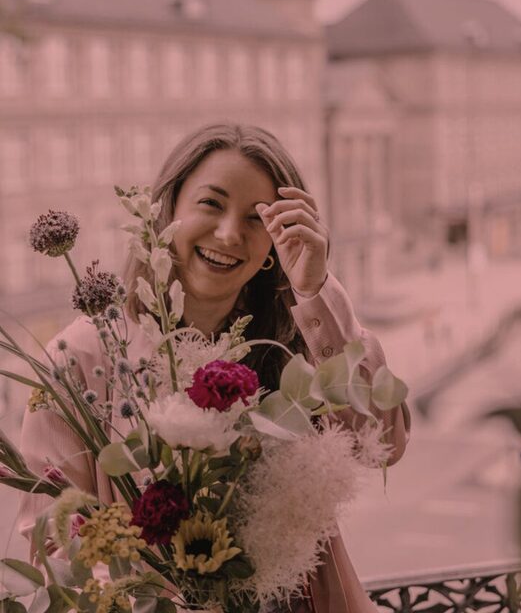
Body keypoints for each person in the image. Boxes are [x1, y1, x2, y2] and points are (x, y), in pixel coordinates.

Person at [18, 122, 410, 613]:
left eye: (255, 219)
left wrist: (316, 290)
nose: (229, 234)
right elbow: (53, 544)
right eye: (211, 203)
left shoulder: (294, 340)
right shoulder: (78, 362)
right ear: (168, 210)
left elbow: (383, 442)